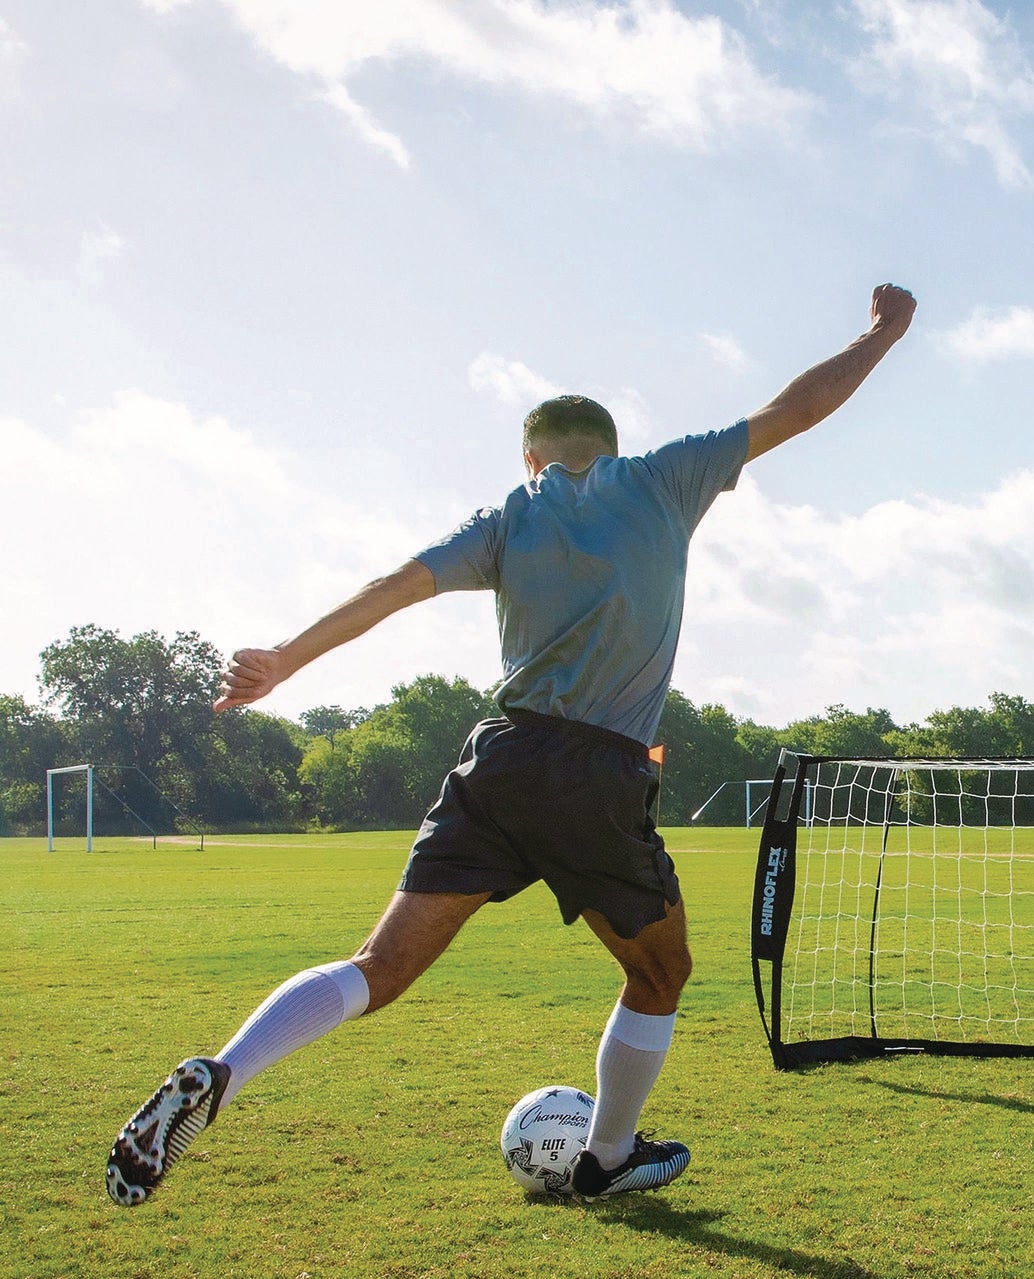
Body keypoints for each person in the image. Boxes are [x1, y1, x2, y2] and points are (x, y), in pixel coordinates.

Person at [105, 283, 917, 1206]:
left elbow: (391, 588)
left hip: (495, 760)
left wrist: (285, 660)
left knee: (381, 966)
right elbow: (798, 409)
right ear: (607, 449)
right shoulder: (664, 478)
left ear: (529, 456)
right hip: (596, 771)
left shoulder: (505, 518)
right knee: (661, 970)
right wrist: (883, 331)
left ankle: (221, 1072)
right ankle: (608, 1158)